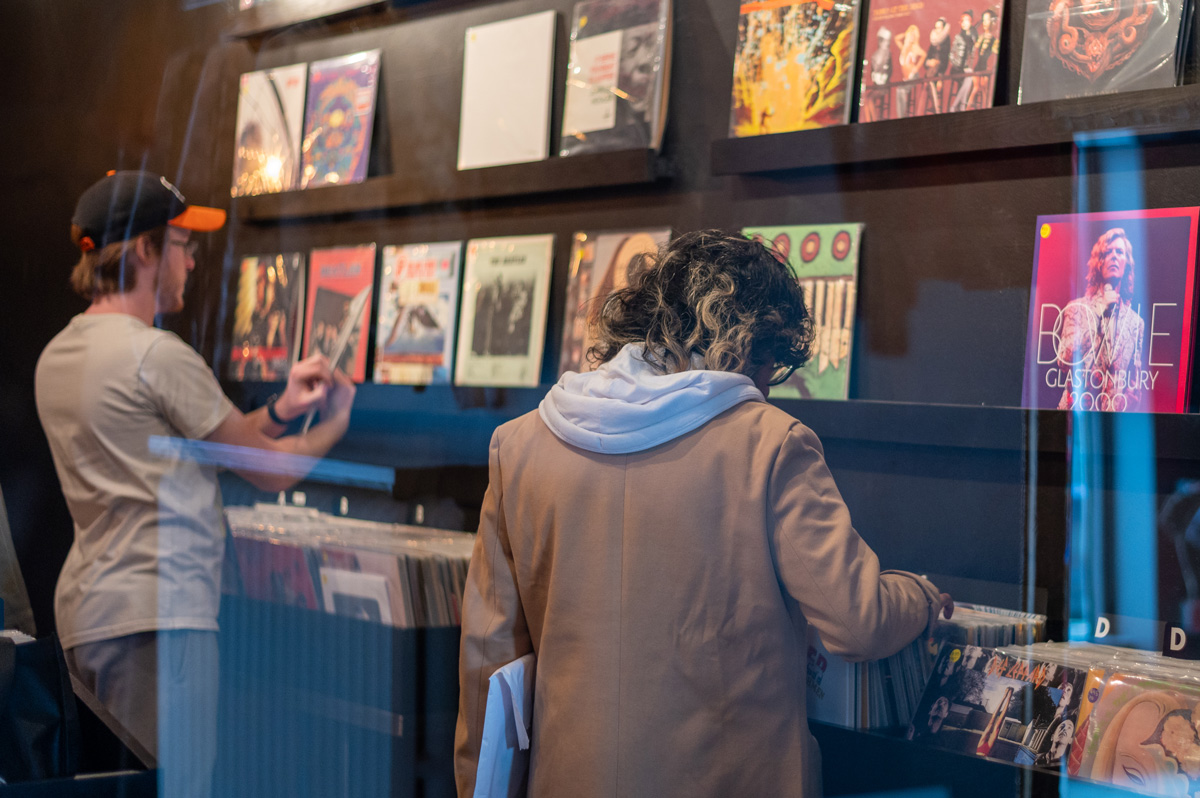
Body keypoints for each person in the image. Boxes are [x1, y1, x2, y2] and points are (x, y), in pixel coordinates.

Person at [455, 230, 952, 797]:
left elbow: (486, 662)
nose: (765, 387)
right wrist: (921, 597)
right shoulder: (770, 445)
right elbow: (859, 619)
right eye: (769, 364)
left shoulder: (519, 447)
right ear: (742, 345)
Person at [35, 170, 356, 796]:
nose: (191, 261)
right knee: (174, 789)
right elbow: (268, 469)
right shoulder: (154, 355)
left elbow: (197, 442)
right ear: (147, 250)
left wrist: (284, 409)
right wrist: (337, 420)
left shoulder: (59, 356)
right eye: (183, 244)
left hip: (86, 618)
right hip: (159, 620)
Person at [1054, 227, 1144, 411]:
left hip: (1110, 425)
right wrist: (1099, 310)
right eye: (1107, 252)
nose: (1113, 256)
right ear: (1099, 262)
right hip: (1074, 418)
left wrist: (1124, 406)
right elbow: (1064, 359)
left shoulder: (1136, 323)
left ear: (1126, 263)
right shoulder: (1077, 308)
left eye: (1119, 252)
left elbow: (1135, 383)